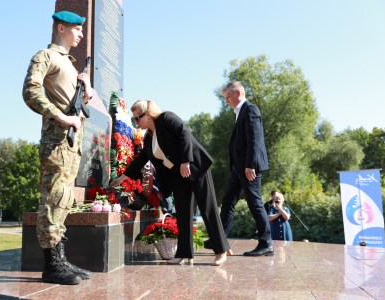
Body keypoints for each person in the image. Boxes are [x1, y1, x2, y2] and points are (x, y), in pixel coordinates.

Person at [110, 100, 232, 266]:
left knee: (207, 208)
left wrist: (186, 161)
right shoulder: (149, 138)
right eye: (133, 120)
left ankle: (220, 251)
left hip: (194, 166)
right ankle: (184, 253)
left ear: (147, 115)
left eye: (137, 119)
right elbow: (140, 160)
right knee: (182, 213)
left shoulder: (166, 118)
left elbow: (184, 134)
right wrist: (122, 178)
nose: (135, 123)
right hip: (177, 174)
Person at [22, 11, 93, 285]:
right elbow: (31, 90)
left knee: (63, 200)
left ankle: (61, 260)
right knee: (52, 200)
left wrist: (85, 89)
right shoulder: (46, 56)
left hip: (70, 145)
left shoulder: (70, 64)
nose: (81, 34)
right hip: (56, 141)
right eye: (77, 29)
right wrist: (61, 116)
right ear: (61, 28)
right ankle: (52, 266)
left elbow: (79, 105)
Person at [204, 81, 273, 257]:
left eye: (228, 97)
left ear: (238, 94)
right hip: (238, 168)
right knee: (227, 201)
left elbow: (254, 140)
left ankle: (266, 244)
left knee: (255, 202)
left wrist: (251, 165)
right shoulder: (239, 112)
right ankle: (218, 239)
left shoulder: (250, 109)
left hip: (249, 167)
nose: (226, 101)